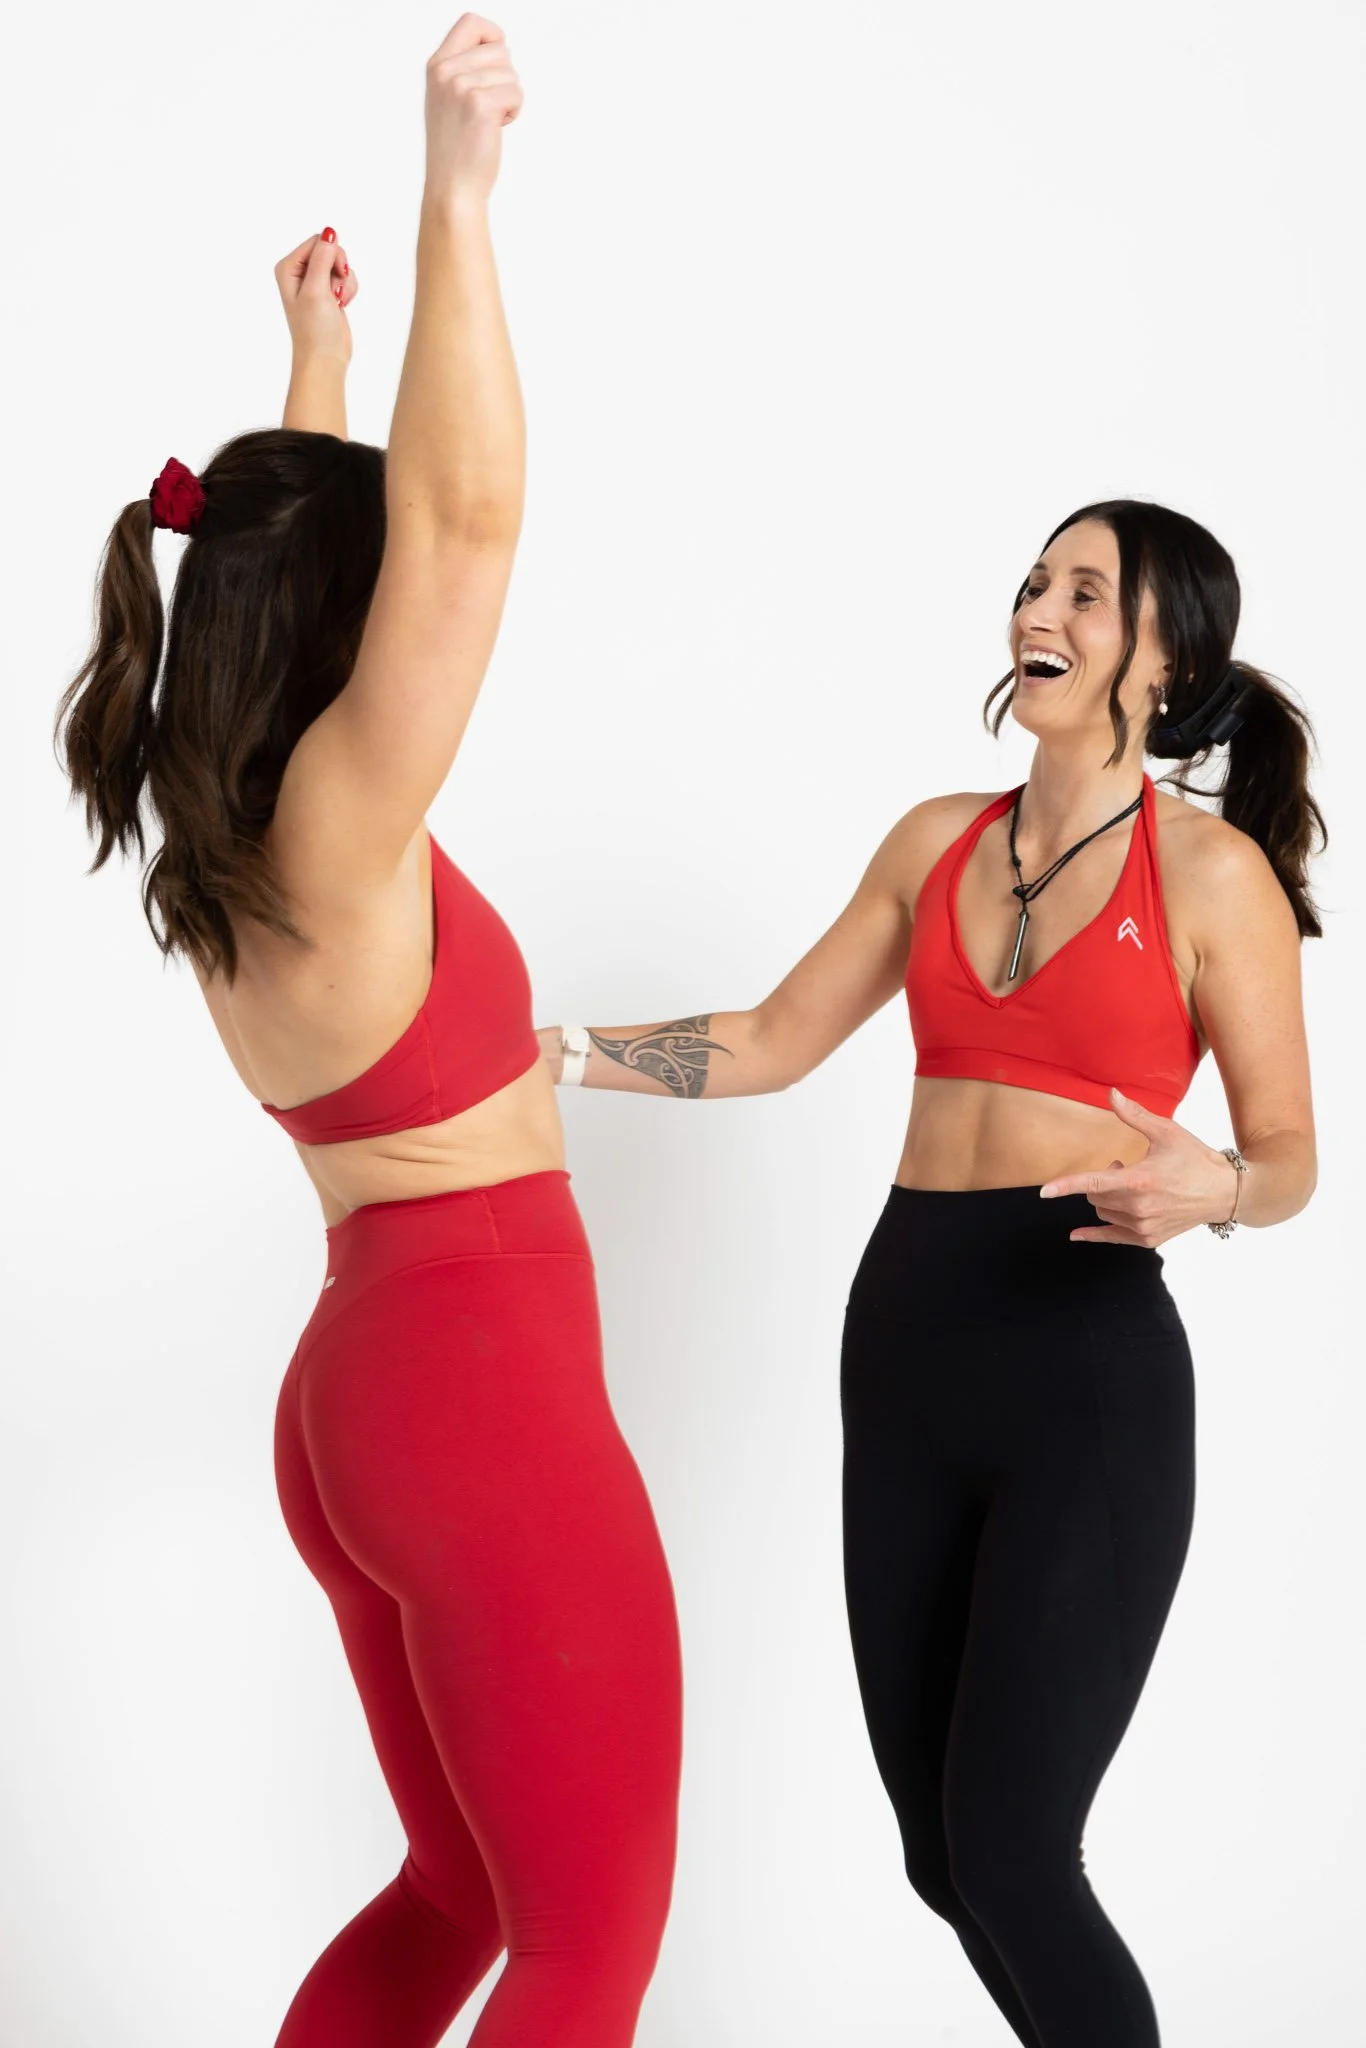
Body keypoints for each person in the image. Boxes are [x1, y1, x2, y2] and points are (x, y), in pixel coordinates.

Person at [56, 20, 681, 2048]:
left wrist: (311, 365)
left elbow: (286, 558)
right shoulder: (339, 816)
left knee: (451, 1896)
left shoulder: (227, 806)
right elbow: (464, 533)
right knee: (580, 1944)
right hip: (478, 1395)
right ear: (332, 623)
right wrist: (454, 202)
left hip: (360, 1399)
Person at [540, 498, 1321, 2047]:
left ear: (1160, 662)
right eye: (1038, 579)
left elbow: (1290, 1152)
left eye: (1088, 593)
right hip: (902, 1355)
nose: (1042, 605)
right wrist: (549, 1056)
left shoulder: (1211, 875)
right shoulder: (933, 841)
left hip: (1080, 1372)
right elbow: (766, 1045)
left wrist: (1215, 1186)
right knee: (939, 1856)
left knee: (1018, 1857)